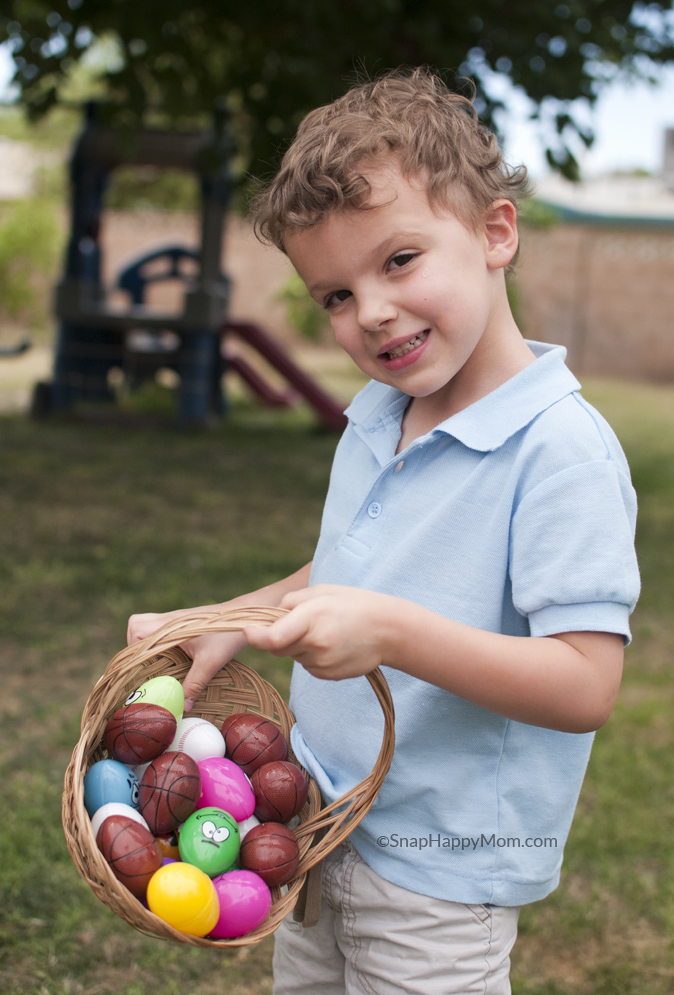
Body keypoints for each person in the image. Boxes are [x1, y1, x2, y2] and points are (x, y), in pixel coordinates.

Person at [128, 68, 640, 994]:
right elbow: (350, 569)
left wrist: (393, 633)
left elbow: (585, 682)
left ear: (495, 232)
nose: (370, 311)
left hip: (443, 877)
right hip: (319, 829)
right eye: (334, 295)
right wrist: (234, 615)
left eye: (399, 261)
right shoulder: (381, 413)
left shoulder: (560, 452)